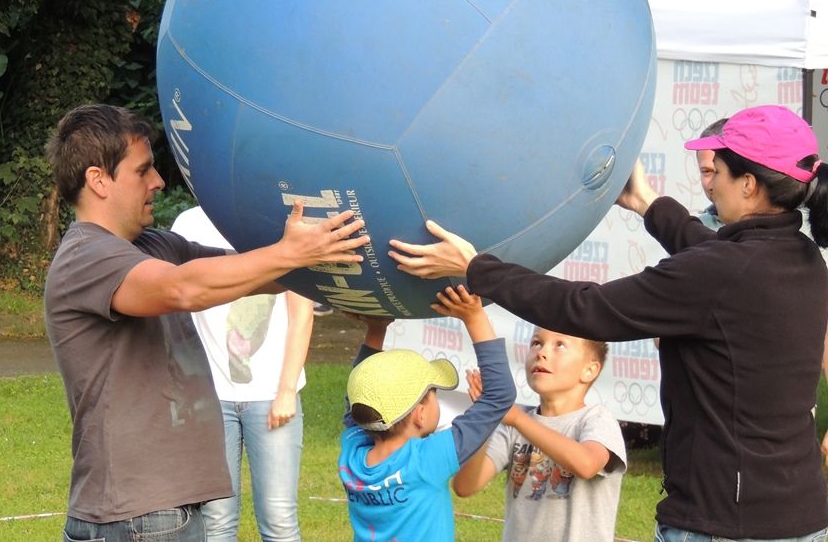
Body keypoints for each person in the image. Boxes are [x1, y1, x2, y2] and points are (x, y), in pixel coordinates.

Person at [389, 105, 828, 540]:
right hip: (799, 514)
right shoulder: (804, 260)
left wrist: (477, 269)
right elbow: (709, 253)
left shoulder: (722, 271)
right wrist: (648, 204)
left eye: (720, 173)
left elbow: (585, 310)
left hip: (725, 524)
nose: (712, 187)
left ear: (749, 185)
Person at [44, 103, 369, 542]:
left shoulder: (154, 244)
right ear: (98, 180)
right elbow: (183, 288)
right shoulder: (85, 256)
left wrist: (339, 271)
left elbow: (252, 275)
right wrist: (290, 254)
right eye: (143, 171)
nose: (158, 182)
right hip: (135, 517)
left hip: (155, 514)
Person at [170, 206, 312, 542]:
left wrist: (287, 390)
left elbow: (302, 312)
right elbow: (174, 301)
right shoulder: (188, 224)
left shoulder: (276, 217)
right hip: (210, 398)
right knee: (216, 521)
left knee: (279, 521)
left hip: (274, 397)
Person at [339, 286, 516, 542]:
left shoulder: (352, 455)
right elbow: (500, 395)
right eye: (434, 393)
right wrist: (474, 316)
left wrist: (376, 329)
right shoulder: (426, 460)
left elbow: (357, 401)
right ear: (420, 415)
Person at [454, 327, 626, 541]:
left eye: (559, 345)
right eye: (536, 342)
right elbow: (465, 486)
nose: (541, 353)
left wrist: (517, 419)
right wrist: (488, 416)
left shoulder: (597, 420)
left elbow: (587, 464)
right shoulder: (514, 423)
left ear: (589, 370)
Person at [693, 118, 727, 229]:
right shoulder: (695, 229)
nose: (714, 184)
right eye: (706, 172)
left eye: (719, 171)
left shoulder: (776, 232)